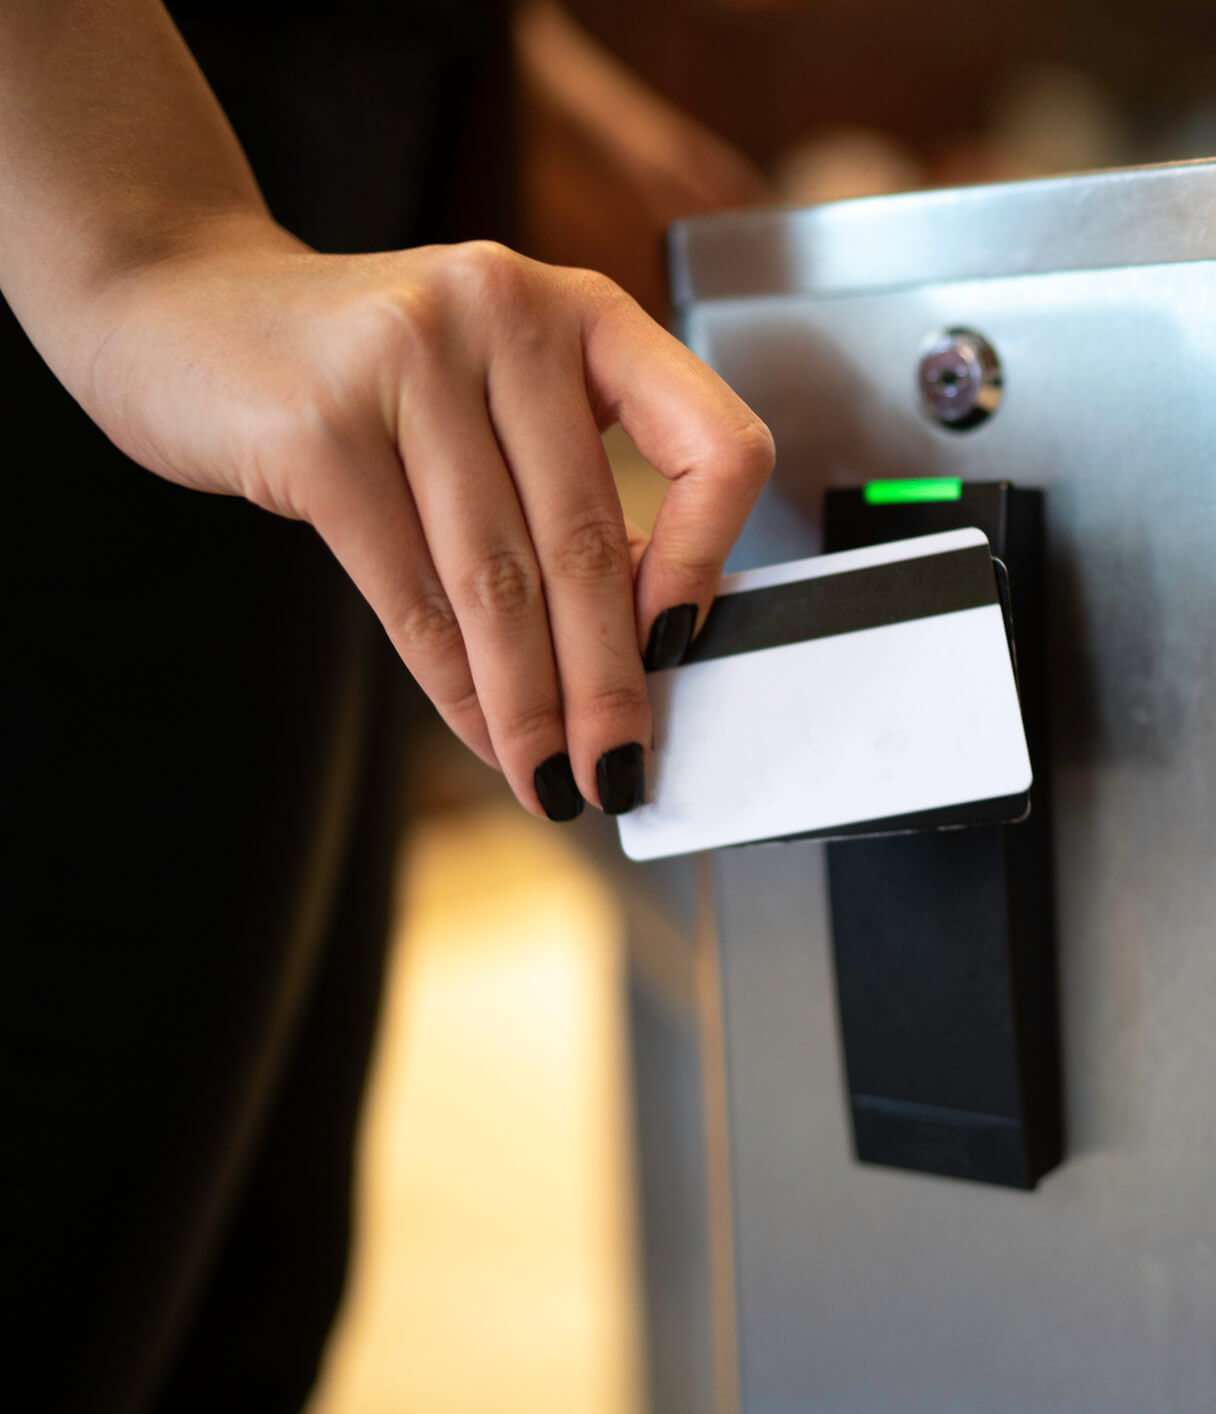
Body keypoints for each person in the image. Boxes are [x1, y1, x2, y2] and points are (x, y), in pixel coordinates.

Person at [0, 2, 773, 1410]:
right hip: (74, 194)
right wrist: (144, 243)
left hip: (338, 146)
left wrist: (494, 49)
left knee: (253, 1285)